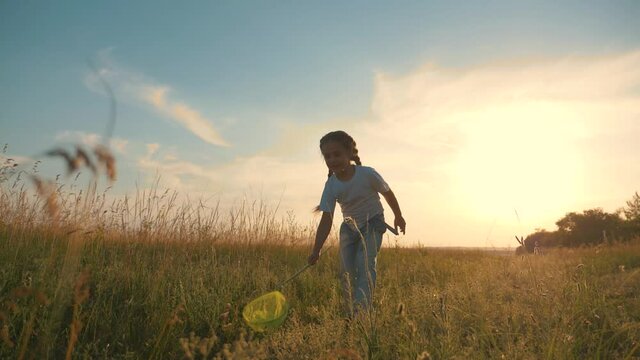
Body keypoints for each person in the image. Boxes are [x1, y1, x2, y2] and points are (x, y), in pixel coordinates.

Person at [307, 130, 406, 314]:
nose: (332, 159)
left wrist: (398, 216)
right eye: (327, 156)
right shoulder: (331, 185)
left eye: (337, 154)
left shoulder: (367, 174)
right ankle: (350, 311)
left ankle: (362, 313)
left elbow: (387, 193)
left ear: (349, 153)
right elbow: (326, 220)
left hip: (373, 223)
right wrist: (316, 249)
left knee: (365, 265)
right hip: (349, 229)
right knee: (346, 271)